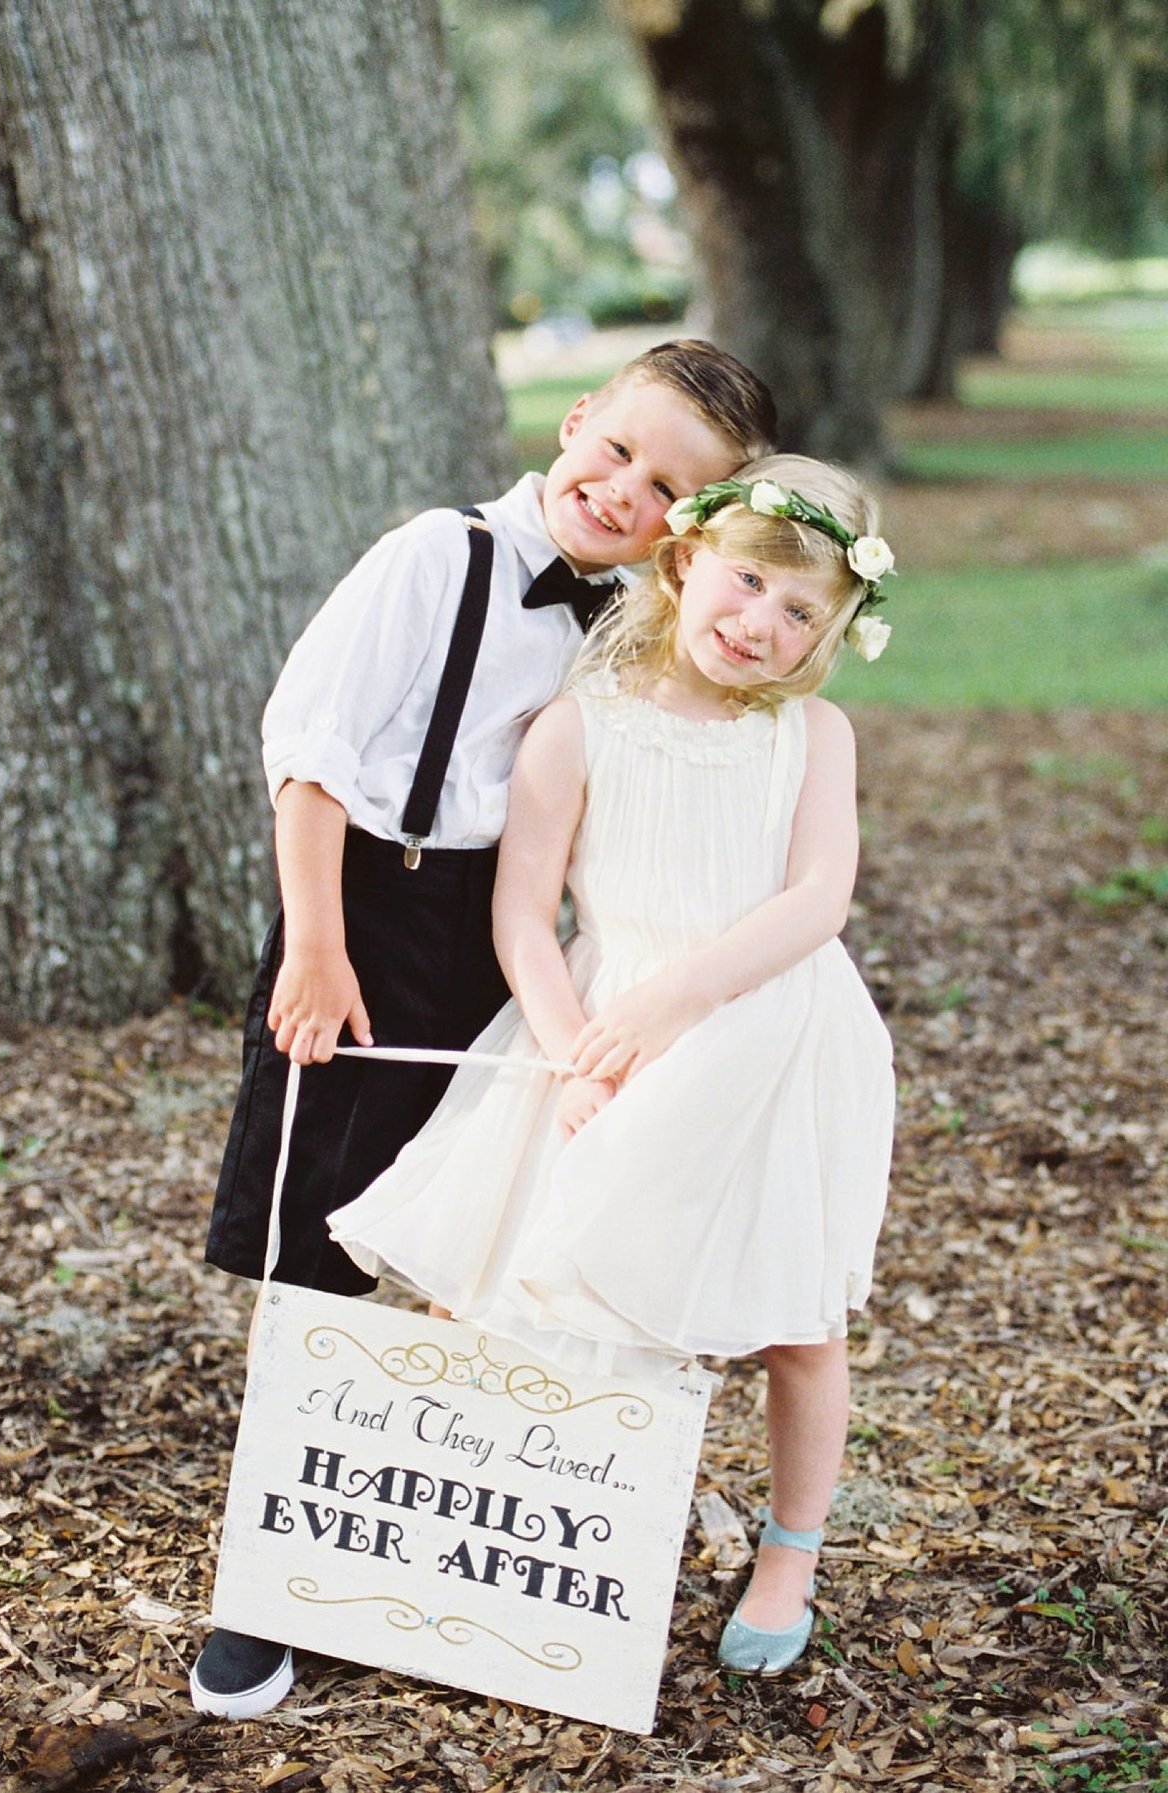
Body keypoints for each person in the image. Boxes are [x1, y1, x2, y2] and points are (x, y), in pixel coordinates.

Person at [191, 341, 779, 1719]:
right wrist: (321, 948)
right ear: (576, 422)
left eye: (668, 487)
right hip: (366, 911)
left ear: (689, 522)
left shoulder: (634, 615)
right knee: (320, 1239)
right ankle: (258, 1592)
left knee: (480, 1230)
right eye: (619, 450)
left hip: (503, 940)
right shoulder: (432, 557)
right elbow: (309, 751)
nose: (624, 489)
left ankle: (415, 1543)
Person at [327, 454, 897, 1679]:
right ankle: (472, 1516)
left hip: (768, 1032)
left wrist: (679, 1000)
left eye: (802, 612)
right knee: (500, 1276)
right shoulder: (579, 722)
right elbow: (526, 913)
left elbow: (819, 897)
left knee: (795, 1314)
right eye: (748, 583)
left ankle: (790, 1548)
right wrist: (575, 1046)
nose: (762, 624)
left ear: (836, 631)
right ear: (687, 561)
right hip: (590, 1030)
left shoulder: (814, 734)